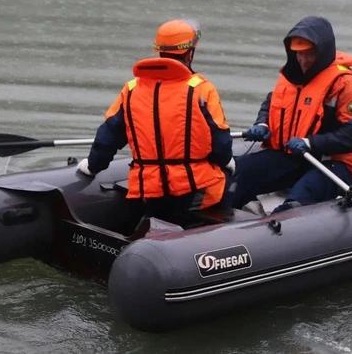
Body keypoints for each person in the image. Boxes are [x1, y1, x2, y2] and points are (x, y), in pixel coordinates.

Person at [77, 18, 234, 228]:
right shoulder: (201, 90)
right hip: (195, 187)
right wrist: (227, 162)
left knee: (160, 212)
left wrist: (93, 166)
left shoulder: (132, 89)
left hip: (150, 190)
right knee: (230, 181)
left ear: (159, 51)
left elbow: (109, 135)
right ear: (189, 53)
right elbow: (221, 144)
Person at [225, 15, 352, 214]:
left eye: (309, 54)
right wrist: (262, 124)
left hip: (332, 163)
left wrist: (311, 143)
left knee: (297, 203)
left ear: (322, 52)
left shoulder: (345, 84)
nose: (303, 60)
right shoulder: (291, 76)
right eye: (298, 54)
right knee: (235, 175)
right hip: (292, 156)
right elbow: (271, 103)